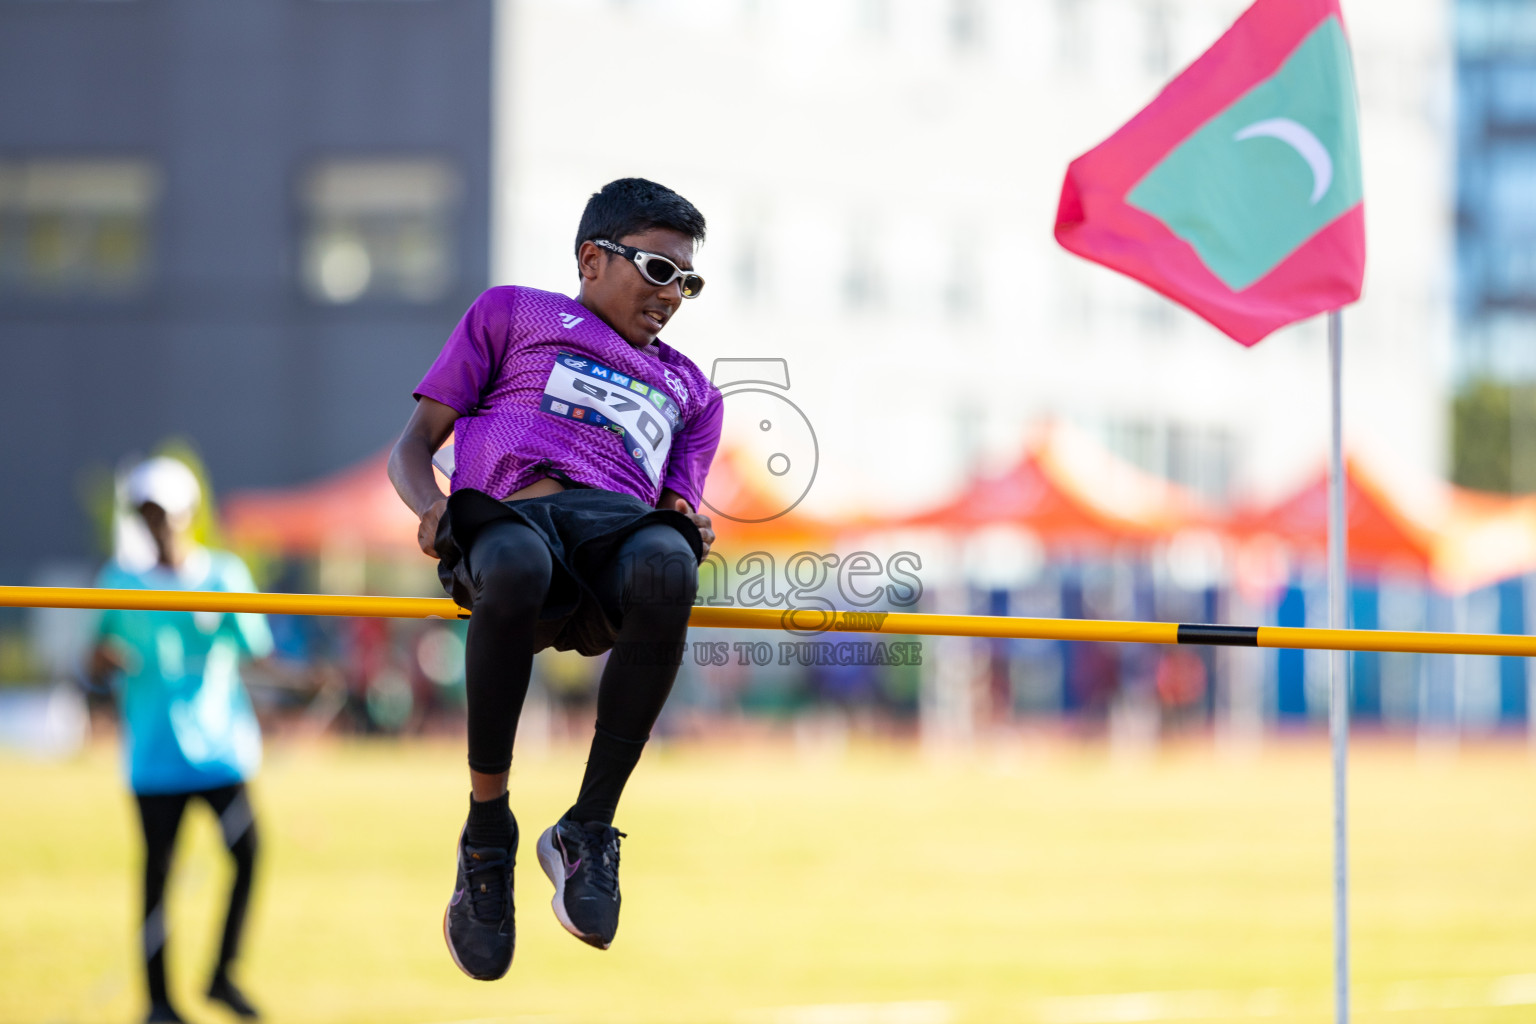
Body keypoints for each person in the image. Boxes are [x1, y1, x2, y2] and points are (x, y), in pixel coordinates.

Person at [388, 178, 722, 980]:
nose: (673, 295)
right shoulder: (515, 313)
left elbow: (678, 505)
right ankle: (488, 833)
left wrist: (690, 523)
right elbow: (411, 446)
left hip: (614, 541)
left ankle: (588, 829)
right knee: (513, 562)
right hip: (511, 522)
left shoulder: (694, 391)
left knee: (673, 563)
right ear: (591, 259)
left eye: (689, 280)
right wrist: (431, 506)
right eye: (657, 269)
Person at [88, 456, 272, 1023]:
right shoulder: (118, 581)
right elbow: (93, 664)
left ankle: (221, 974)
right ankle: (159, 1003)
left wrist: (307, 677)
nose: (156, 524)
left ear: (188, 513)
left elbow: (257, 651)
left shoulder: (224, 575)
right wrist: (100, 662)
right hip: (154, 757)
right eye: (146, 514)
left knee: (247, 855)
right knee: (158, 877)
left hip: (220, 752)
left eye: (164, 512)